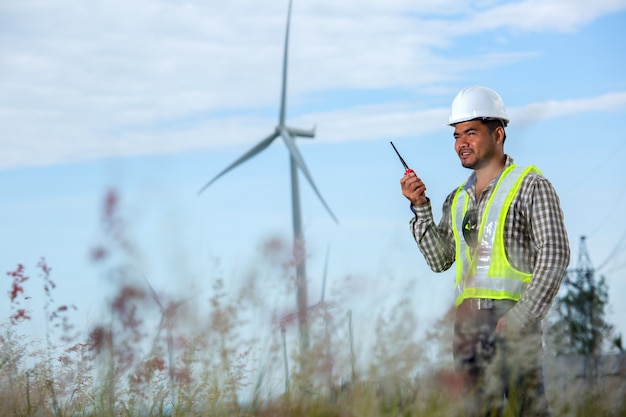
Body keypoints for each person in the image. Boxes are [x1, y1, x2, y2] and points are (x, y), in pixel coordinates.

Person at [400, 85, 570, 416]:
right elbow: (440, 260)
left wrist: (521, 316)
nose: (460, 143)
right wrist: (420, 206)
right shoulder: (457, 198)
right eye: (456, 135)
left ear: (498, 134)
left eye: (471, 133)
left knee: (526, 411)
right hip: (467, 328)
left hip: (513, 321)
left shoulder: (530, 185)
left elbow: (556, 255)